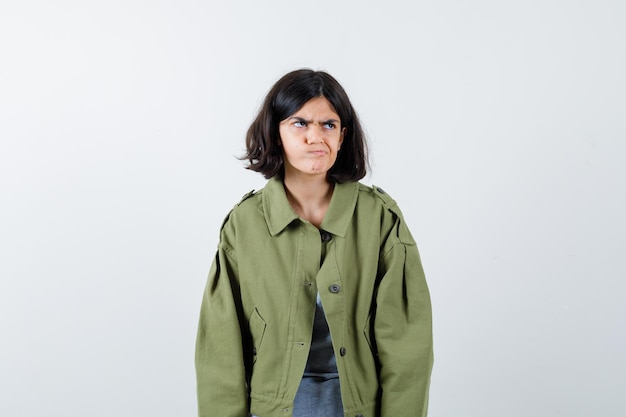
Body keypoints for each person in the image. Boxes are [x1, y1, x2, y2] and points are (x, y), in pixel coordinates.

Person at [195, 69, 433, 417]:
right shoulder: (243, 224)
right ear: (275, 133)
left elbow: (407, 344)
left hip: (358, 406)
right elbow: (221, 349)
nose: (315, 137)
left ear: (342, 136)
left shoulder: (378, 218)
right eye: (300, 123)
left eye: (329, 125)